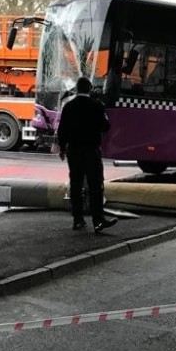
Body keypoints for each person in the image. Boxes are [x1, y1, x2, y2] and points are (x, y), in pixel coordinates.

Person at [57, 76, 117, 233]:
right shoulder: (97, 106)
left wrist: (62, 148)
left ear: (77, 89)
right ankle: (98, 220)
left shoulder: (68, 106)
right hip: (91, 150)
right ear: (90, 89)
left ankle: (78, 220)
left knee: (76, 184)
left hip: (74, 151)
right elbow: (106, 127)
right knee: (95, 185)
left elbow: (62, 129)